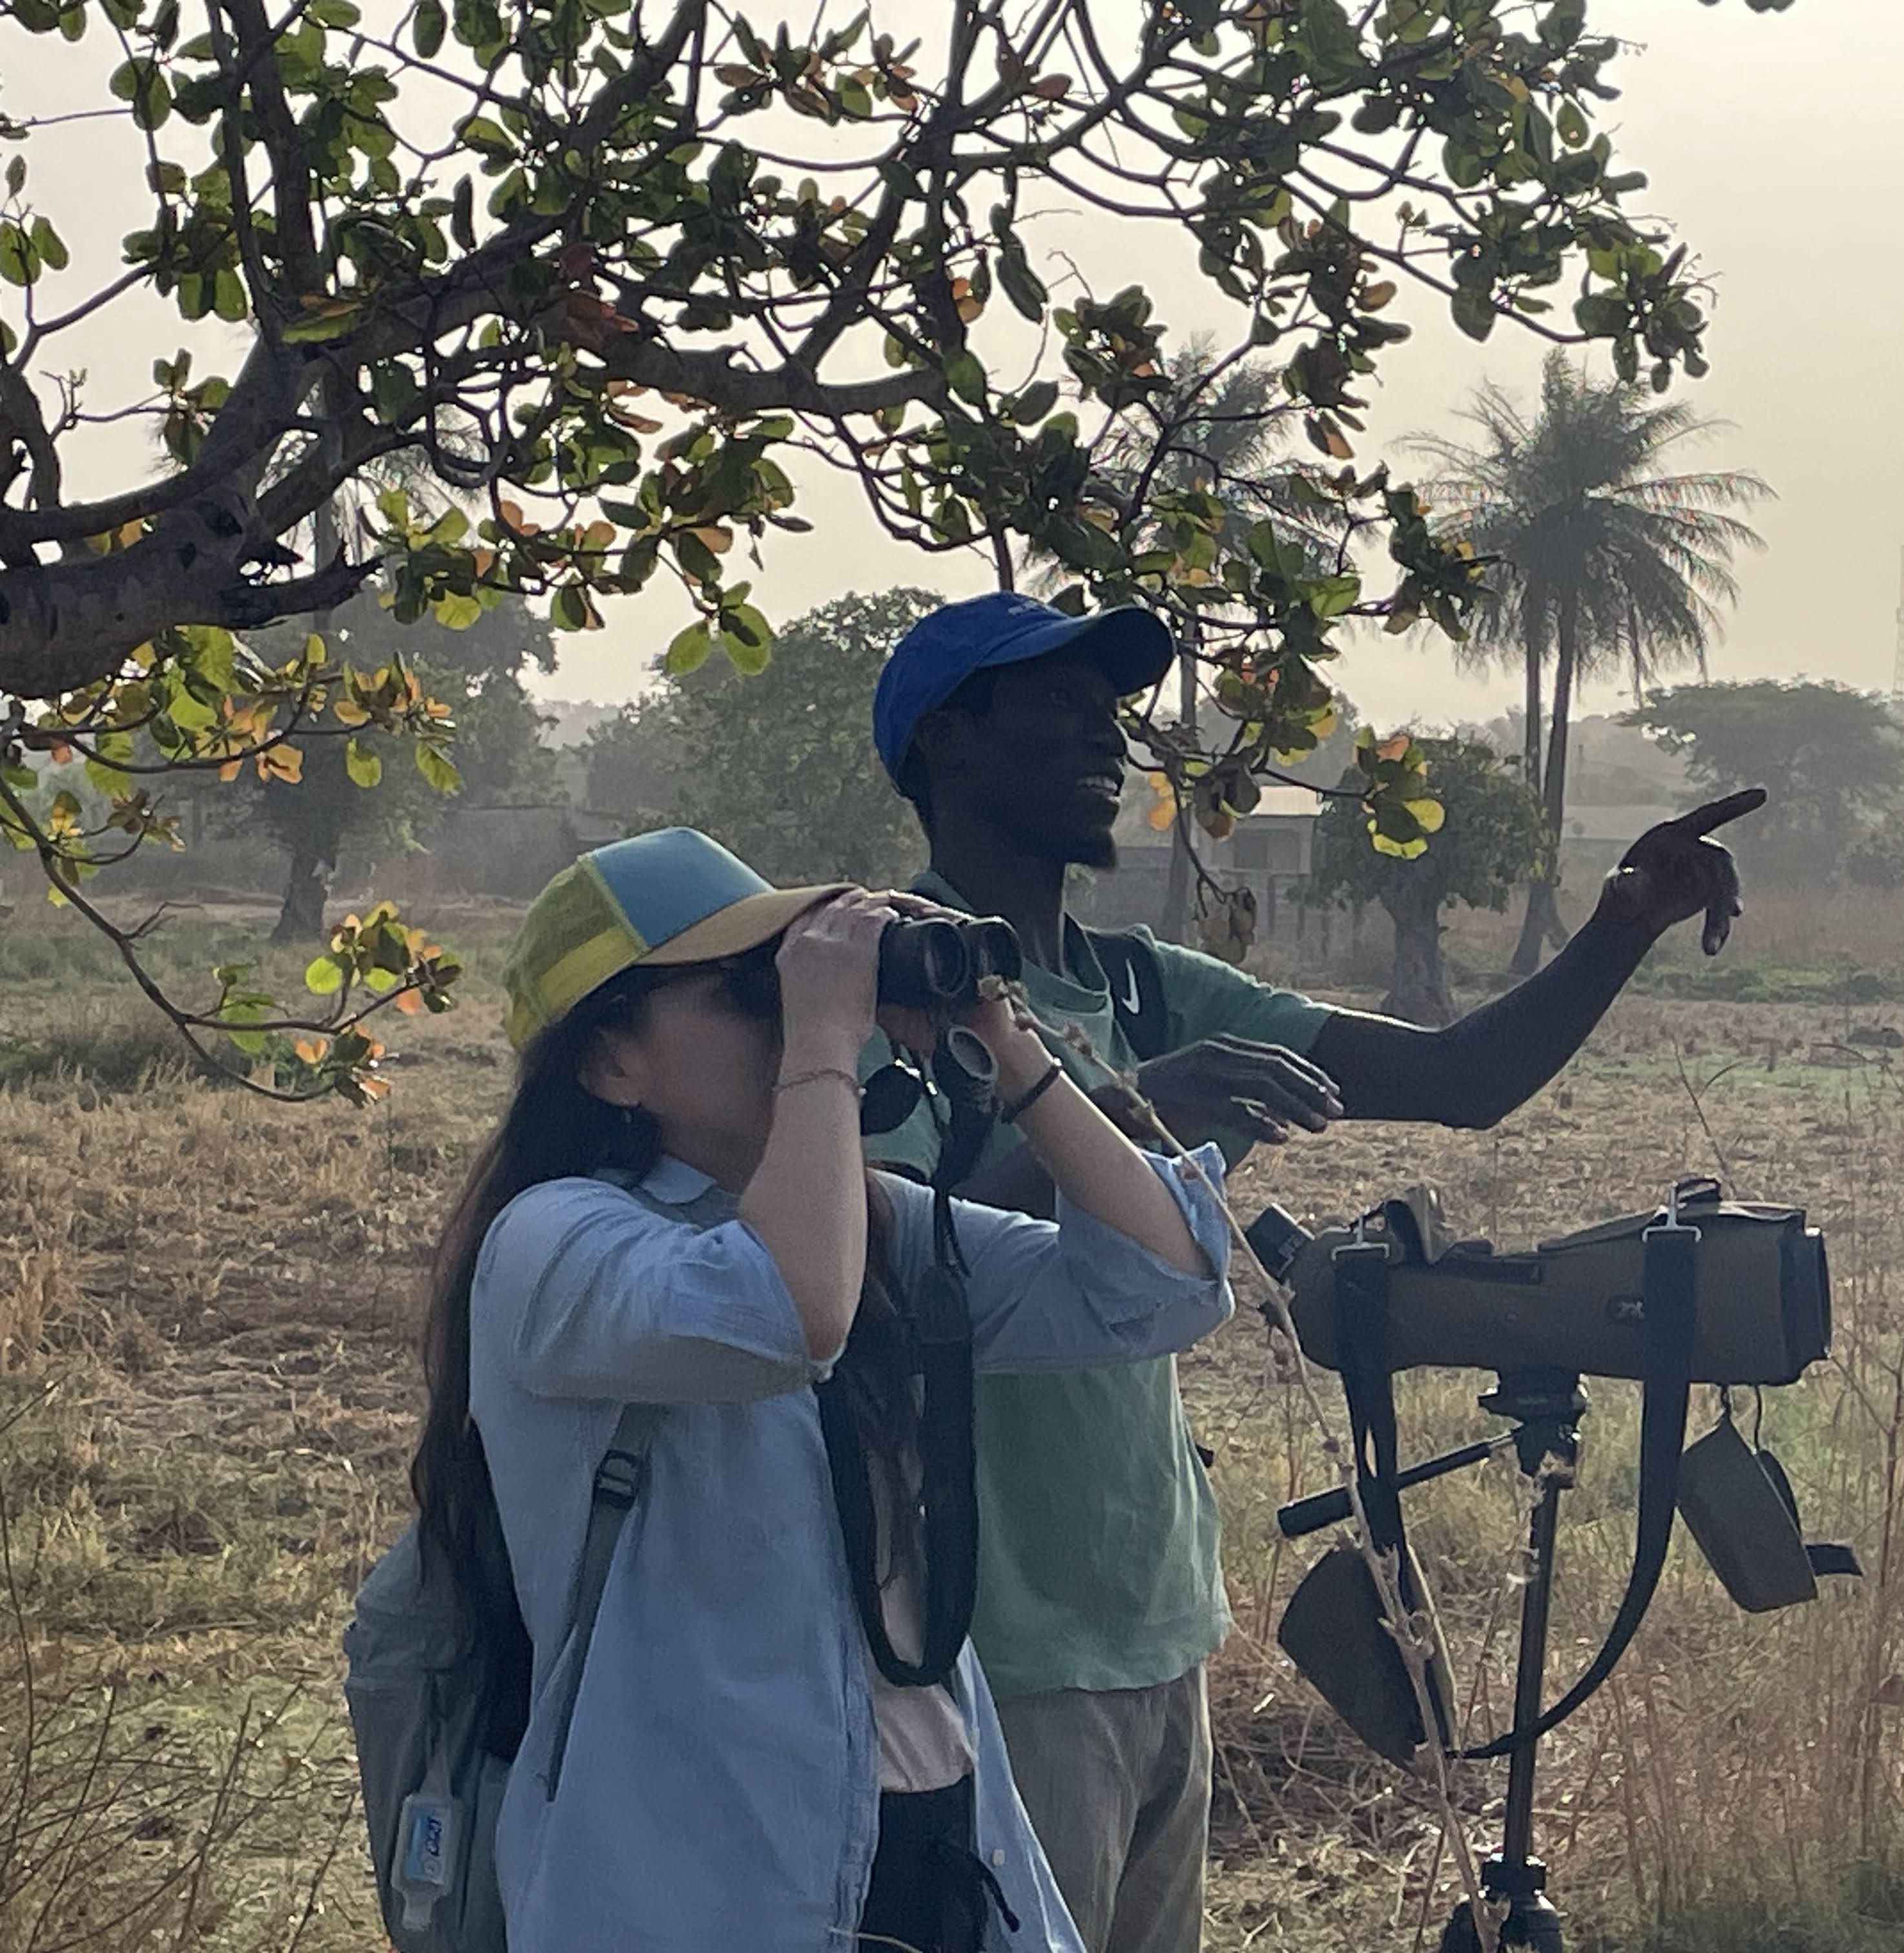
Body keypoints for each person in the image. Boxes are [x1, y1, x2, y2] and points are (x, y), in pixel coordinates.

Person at [863, 590, 1764, 1953]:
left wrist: (1620, 926)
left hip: (1156, 1613)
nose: (1106, 736)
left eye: (1111, 708)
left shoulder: (1143, 986)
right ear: (945, 741)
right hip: (992, 1644)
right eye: (1057, 703)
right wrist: (1123, 1114)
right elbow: (887, 1267)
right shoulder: (893, 982)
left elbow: (1461, 1080)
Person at [408, 825, 1238, 1952]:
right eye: (747, 991)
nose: (790, 1009)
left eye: (790, 976)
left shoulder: (871, 1225)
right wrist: (823, 1044)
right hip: (702, 1882)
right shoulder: (554, 1243)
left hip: (938, 1835)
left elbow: (1161, 1285)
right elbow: (788, 1314)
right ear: (609, 1065)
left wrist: (1005, 1040)